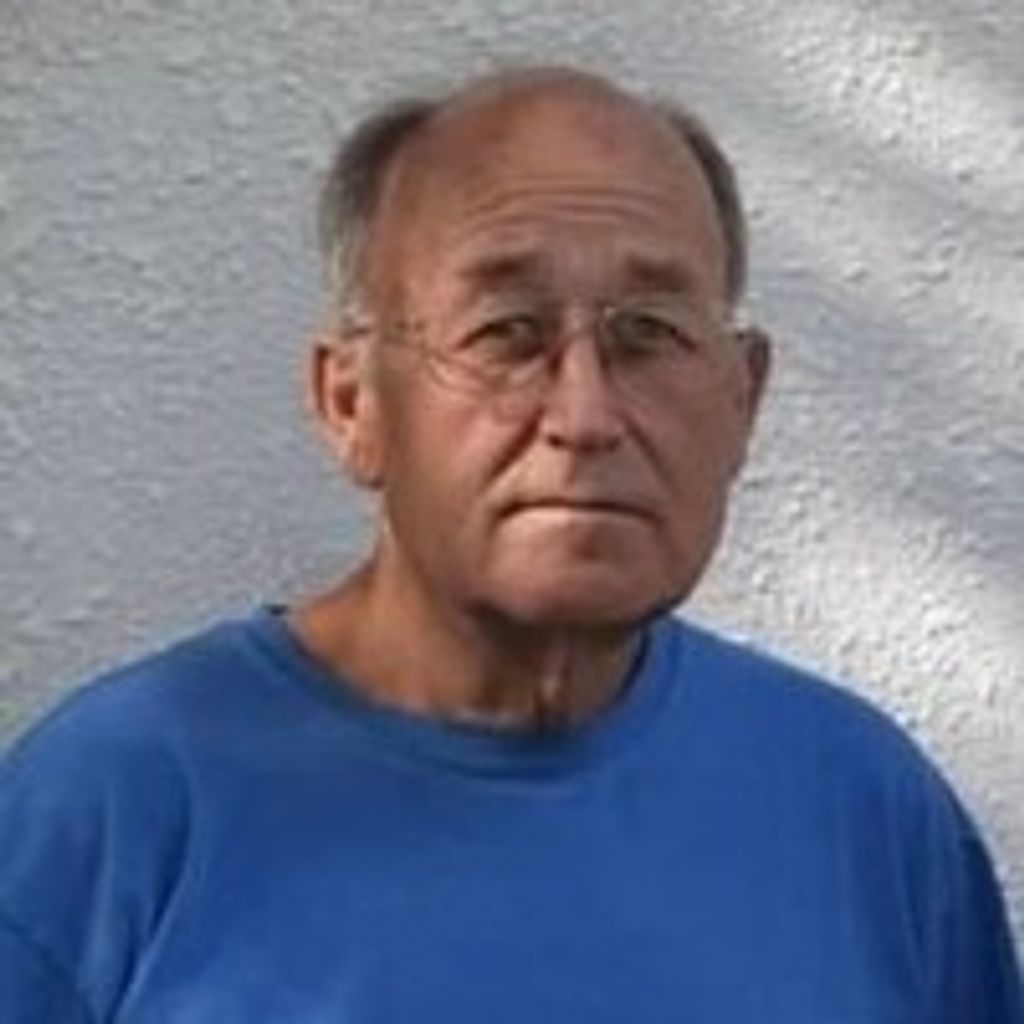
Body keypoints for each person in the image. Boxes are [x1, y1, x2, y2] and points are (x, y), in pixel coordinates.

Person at [1, 65, 1021, 1023]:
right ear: (351, 404)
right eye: (505, 332)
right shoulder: (109, 816)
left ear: (742, 398)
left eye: (649, 335)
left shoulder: (865, 817)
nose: (584, 416)